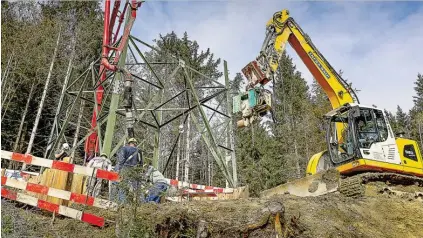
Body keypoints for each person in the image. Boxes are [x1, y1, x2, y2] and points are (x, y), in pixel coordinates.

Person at [114, 138, 143, 204]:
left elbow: (121, 160)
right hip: (135, 170)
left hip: (125, 169)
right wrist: (139, 171)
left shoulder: (124, 148)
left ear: (129, 143)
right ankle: (138, 204)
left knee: (123, 186)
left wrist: (118, 169)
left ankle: (123, 203)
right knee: (137, 188)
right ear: (135, 143)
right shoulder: (139, 151)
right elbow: (141, 163)